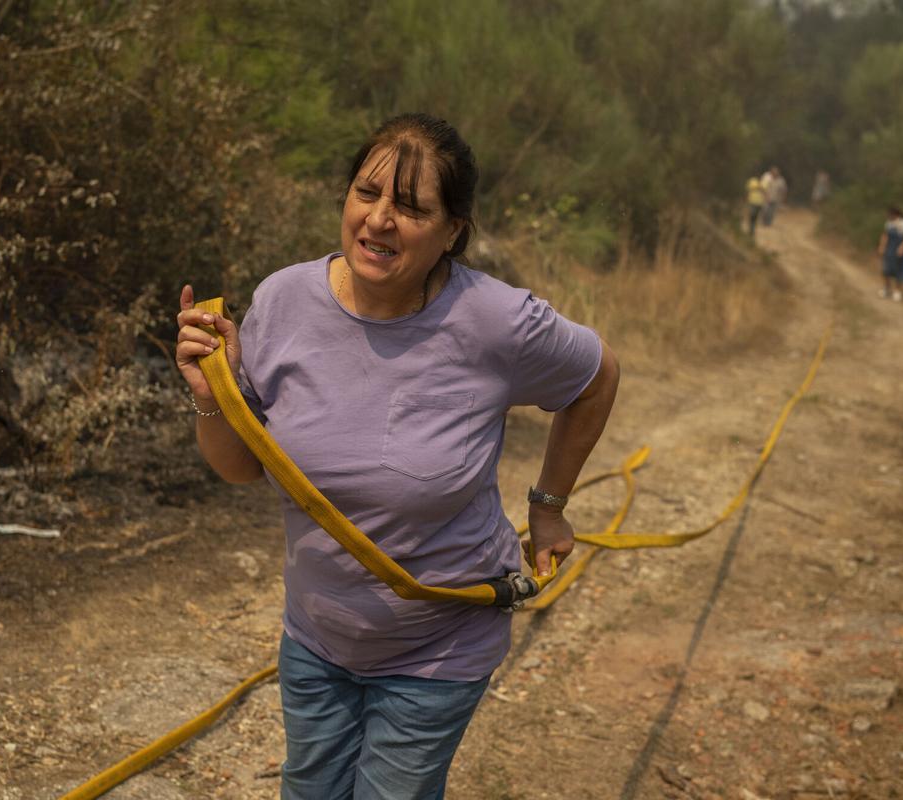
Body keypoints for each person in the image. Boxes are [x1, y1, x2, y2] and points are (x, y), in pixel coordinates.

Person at [175, 113, 619, 799]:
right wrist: (214, 395)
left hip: (439, 648)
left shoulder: (496, 321)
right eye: (366, 194)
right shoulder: (282, 301)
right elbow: (241, 467)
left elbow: (597, 377)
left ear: (453, 232)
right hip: (315, 642)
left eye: (411, 208)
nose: (379, 220)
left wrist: (550, 506)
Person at [877, 205, 903, 302]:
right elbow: (885, 235)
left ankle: (897, 291)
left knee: (899, 270)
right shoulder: (889, 223)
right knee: (886, 269)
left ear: (895, 214)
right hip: (890, 249)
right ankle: (886, 288)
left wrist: (902, 247)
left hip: (900, 250)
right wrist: (882, 246)